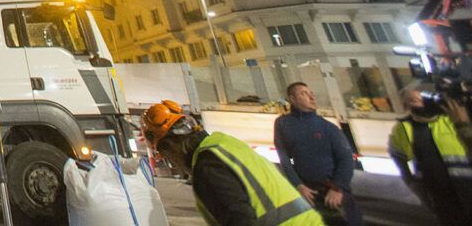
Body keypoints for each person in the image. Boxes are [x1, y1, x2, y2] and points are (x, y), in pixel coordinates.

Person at [143, 99, 323, 226]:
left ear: (173, 145)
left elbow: (239, 220)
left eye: (167, 156)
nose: (172, 164)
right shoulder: (225, 145)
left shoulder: (208, 167)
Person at [273, 82, 361, 225]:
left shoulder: (328, 128)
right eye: (304, 93)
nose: (311, 97)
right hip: (307, 194)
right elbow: (284, 158)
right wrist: (298, 185)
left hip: (331, 191)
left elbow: (345, 159)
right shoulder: (283, 124)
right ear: (292, 100)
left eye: (311, 93)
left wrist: (337, 188)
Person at [389, 85, 472, 225]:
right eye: (414, 100)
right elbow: (398, 158)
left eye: (422, 98)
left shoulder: (451, 120)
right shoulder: (403, 129)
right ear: (405, 105)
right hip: (441, 199)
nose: (421, 102)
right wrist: (414, 185)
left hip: (469, 190)